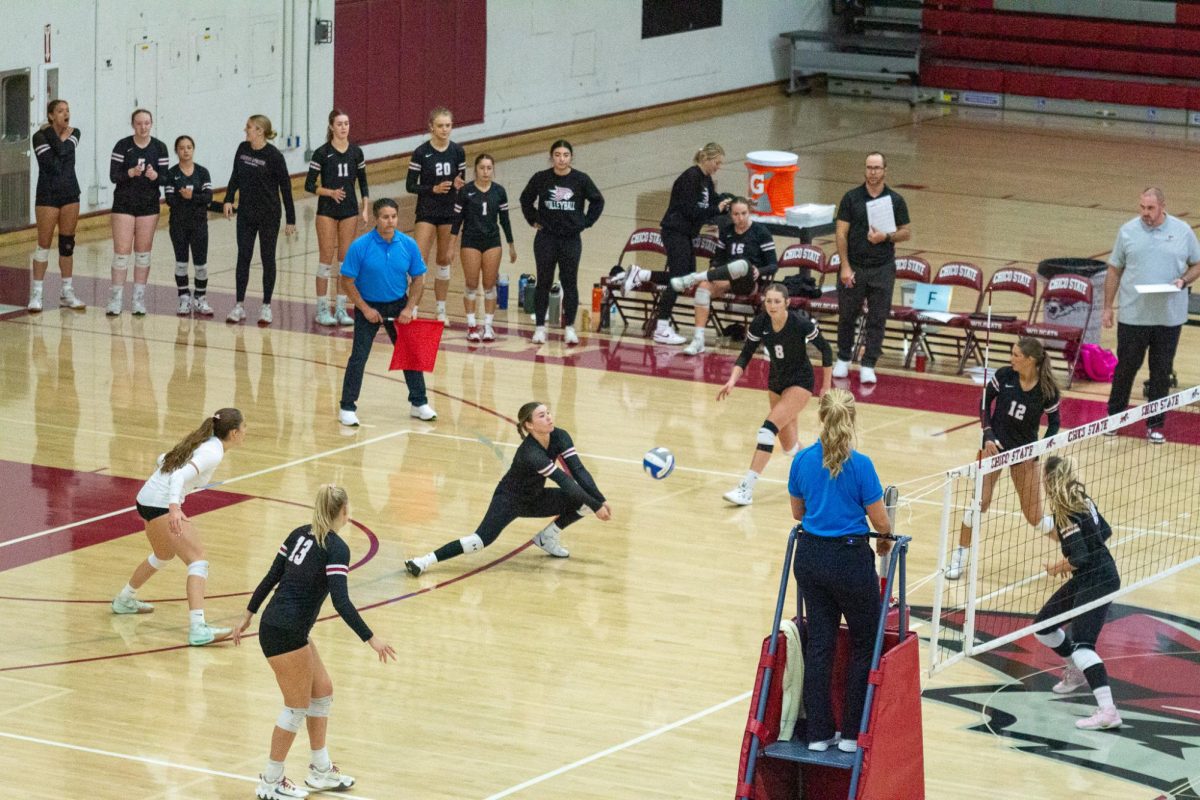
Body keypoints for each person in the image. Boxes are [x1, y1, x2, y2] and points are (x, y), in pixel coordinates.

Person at [234, 484, 396, 799]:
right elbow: (341, 602)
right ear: (344, 513)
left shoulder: (298, 534)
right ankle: (270, 781)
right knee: (295, 707)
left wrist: (249, 613)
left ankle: (320, 770)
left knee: (322, 692)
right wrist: (371, 638)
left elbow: (271, 577)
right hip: (286, 631)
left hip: (282, 626)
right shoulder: (335, 548)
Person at [788, 388, 892, 753]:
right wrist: (885, 540)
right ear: (851, 419)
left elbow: (798, 514)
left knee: (821, 644)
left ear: (821, 418)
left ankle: (818, 734)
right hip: (849, 562)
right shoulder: (861, 465)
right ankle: (851, 734)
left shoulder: (801, 460)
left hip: (811, 559)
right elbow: (881, 520)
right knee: (865, 642)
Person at [405, 401, 610, 575]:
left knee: (585, 502)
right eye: (541, 416)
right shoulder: (530, 453)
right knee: (479, 541)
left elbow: (578, 470)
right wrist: (596, 505)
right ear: (529, 425)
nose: (548, 417)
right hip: (509, 500)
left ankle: (547, 538)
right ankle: (423, 561)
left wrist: (599, 500)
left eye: (548, 413)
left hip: (535, 498)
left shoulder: (560, 436)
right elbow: (564, 480)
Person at [111, 408, 246, 646]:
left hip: (146, 499)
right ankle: (198, 628)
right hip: (162, 505)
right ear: (234, 433)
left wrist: (160, 487)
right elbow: (178, 476)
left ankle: (124, 600)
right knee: (198, 559)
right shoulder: (212, 451)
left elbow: (163, 458)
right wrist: (174, 506)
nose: (245, 432)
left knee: (163, 554)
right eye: (244, 428)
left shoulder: (204, 441)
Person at [947, 337, 1060, 580]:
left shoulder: (1047, 390)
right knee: (978, 504)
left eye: (1016, 355)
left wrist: (1037, 450)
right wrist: (987, 434)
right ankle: (959, 557)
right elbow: (985, 403)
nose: (1012, 359)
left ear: (1030, 360)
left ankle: (1076, 547)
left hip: (1024, 453)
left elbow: (1055, 424)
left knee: (1035, 518)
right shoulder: (1005, 375)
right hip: (993, 447)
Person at [718, 283, 832, 506]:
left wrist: (826, 386)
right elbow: (745, 355)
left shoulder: (799, 323)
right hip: (776, 383)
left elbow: (826, 349)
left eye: (777, 301)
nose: (772, 305)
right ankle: (825, 470)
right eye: (768, 301)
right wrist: (732, 380)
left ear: (787, 303)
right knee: (791, 448)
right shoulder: (761, 322)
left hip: (800, 382)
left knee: (766, 432)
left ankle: (746, 489)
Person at [1103, 187, 1200, 444]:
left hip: (1169, 318)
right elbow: (1114, 271)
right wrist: (1107, 307)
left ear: (1162, 207)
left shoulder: (1182, 231)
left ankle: (1155, 425)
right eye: (1142, 208)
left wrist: (1183, 280)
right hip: (1134, 316)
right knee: (1125, 369)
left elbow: (1197, 263)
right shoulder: (1127, 232)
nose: (1145, 213)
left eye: (1150, 208)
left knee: (1161, 373)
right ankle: (1114, 419)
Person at [1034, 455, 1122, 730]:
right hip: (1094, 574)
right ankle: (1076, 672)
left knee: (1085, 648)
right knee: (1044, 626)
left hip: (1096, 578)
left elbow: (1081, 556)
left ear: (1049, 481)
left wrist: (1059, 565)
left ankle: (1108, 711)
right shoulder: (1083, 499)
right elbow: (1105, 531)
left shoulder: (1065, 511)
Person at [337, 198, 436, 427]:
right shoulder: (360, 246)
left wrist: (409, 308)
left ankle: (419, 403)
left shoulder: (408, 244)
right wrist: (365, 309)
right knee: (359, 358)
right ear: (375, 218)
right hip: (368, 306)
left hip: (398, 305)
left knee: (410, 354)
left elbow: (419, 278)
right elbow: (347, 280)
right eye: (385, 217)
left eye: (393, 216)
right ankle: (347, 407)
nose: (390, 221)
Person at [630, 143, 731, 345]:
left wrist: (734, 201)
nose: (718, 167)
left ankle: (641, 275)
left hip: (686, 234)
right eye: (717, 162)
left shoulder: (706, 180)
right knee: (678, 279)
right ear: (706, 159)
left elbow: (714, 200)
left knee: (686, 279)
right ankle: (662, 327)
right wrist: (715, 210)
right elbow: (690, 211)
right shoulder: (689, 178)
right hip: (675, 231)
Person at [832, 151, 911, 384]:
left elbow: (906, 232)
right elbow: (840, 232)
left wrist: (885, 237)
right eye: (869, 167)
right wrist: (845, 266)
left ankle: (868, 364)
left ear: (885, 170)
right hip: (854, 265)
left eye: (877, 168)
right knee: (847, 315)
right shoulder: (851, 198)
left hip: (882, 268)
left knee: (878, 317)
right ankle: (844, 358)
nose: (873, 172)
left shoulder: (896, 200)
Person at [519, 139, 605, 345]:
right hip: (546, 238)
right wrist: (533, 219)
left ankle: (569, 328)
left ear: (571, 157)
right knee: (544, 282)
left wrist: (586, 222)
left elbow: (598, 201)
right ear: (551, 157)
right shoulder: (541, 178)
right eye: (557, 155)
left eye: (565, 155)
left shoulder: (580, 180)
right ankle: (540, 327)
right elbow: (525, 199)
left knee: (570, 283)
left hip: (570, 239)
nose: (561, 159)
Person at [668, 196, 777, 355]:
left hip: (748, 283)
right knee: (703, 289)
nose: (740, 218)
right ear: (730, 215)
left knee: (742, 264)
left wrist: (760, 271)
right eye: (736, 214)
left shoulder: (761, 232)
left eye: (744, 213)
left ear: (750, 212)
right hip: (726, 280)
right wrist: (713, 268)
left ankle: (693, 278)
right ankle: (698, 341)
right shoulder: (726, 232)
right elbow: (718, 259)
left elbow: (774, 265)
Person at [223, 114, 297, 325]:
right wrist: (228, 199)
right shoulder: (242, 149)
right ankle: (239, 306)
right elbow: (235, 176)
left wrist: (290, 219)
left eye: (249, 127)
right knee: (243, 257)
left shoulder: (274, 156)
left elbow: (286, 188)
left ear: (259, 131)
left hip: (269, 214)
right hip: (246, 213)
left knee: (267, 258)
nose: (245, 130)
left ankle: (266, 306)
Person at [306, 109, 369, 327]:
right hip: (326, 210)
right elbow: (309, 185)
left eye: (347, 123)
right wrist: (330, 192)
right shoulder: (322, 153)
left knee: (345, 262)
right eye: (340, 124)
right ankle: (322, 309)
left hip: (349, 210)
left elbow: (363, 182)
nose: (344, 127)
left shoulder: (356, 152)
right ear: (331, 127)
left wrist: (365, 208)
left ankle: (341, 308)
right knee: (326, 260)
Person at [107, 108, 169, 317]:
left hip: (148, 205)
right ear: (133, 124)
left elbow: (166, 178)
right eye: (139, 123)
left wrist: (155, 176)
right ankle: (116, 298)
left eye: (147, 123)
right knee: (122, 252)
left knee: (143, 253)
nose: (143, 127)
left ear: (152, 124)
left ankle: (138, 299)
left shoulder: (160, 148)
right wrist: (130, 173)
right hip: (124, 204)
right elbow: (113, 176)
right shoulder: (123, 146)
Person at [406, 107, 466, 324]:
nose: (444, 130)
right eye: (440, 126)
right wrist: (432, 189)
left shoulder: (458, 152)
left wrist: (459, 186)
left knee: (445, 260)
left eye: (448, 125)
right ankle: (413, 307)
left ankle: (441, 309)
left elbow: (461, 183)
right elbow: (410, 185)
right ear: (431, 126)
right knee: (419, 260)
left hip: (449, 211)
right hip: (427, 211)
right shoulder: (421, 152)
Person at [451, 153, 516, 343]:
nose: (486, 172)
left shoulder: (499, 192)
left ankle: (488, 326)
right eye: (482, 168)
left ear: (493, 170)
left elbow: (505, 221)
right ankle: (472, 326)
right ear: (475, 170)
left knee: (489, 285)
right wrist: (450, 246)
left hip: (492, 242)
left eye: (489, 168)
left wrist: (511, 245)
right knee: (471, 284)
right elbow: (456, 221)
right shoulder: (465, 191)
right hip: (470, 241)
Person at [28, 99, 85, 312]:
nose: (66, 114)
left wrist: (60, 141)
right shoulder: (39, 136)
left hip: (71, 193)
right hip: (47, 195)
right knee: (43, 243)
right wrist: (58, 136)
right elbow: (52, 163)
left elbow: (61, 152)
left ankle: (67, 292)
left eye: (67, 110)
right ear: (51, 115)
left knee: (67, 244)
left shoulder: (75, 132)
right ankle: (37, 293)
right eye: (60, 111)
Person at [164, 135, 214, 316]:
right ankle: (184, 298)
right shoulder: (171, 174)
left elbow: (208, 198)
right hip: (178, 225)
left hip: (199, 224)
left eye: (189, 147)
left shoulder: (202, 172)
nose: (186, 151)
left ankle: (200, 298)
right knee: (181, 263)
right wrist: (189, 199)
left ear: (193, 149)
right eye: (182, 148)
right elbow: (170, 200)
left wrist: (191, 197)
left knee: (201, 264)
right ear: (176, 151)